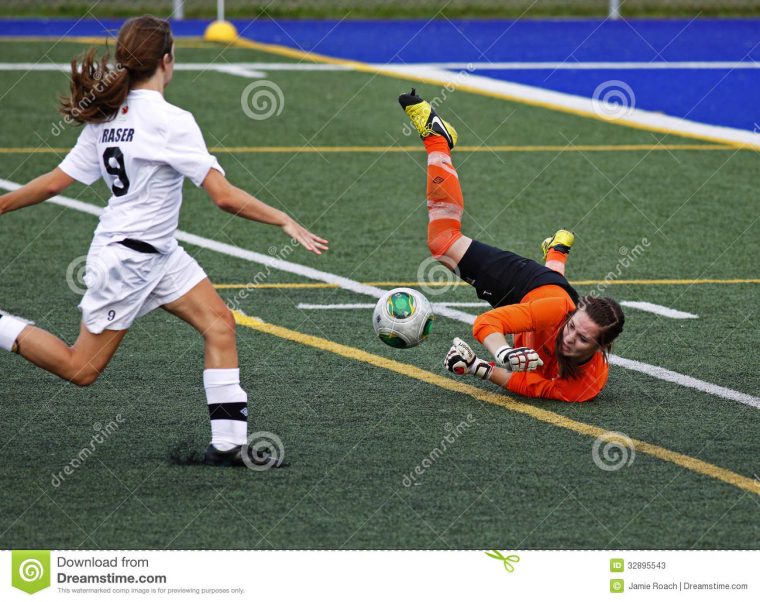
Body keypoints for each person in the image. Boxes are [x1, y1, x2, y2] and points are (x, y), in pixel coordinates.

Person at [0, 16, 328, 466]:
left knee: (219, 325)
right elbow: (222, 196)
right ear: (167, 61)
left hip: (155, 254)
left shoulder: (106, 115)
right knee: (81, 368)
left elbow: (54, 184)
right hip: (128, 261)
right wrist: (283, 220)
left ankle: (229, 446)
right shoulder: (172, 121)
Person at [399, 89, 623, 402]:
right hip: (531, 289)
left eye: (582, 338)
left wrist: (478, 367)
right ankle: (438, 138)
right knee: (442, 244)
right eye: (573, 327)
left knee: (548, 292)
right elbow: (487, 322)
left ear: (600, 348)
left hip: (545, 303)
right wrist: (502, 352)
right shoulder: (559, 312)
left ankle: (557, 252)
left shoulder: (586, 387)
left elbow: (532, 387)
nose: (569, 337)